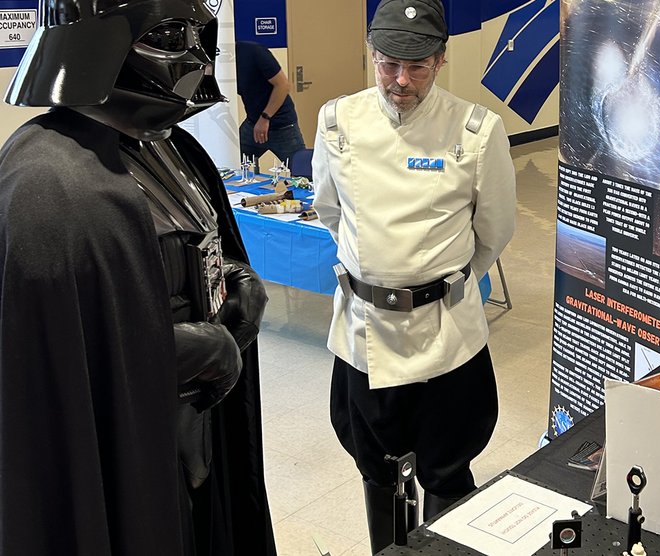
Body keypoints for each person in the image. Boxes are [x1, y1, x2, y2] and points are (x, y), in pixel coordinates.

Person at [0, 1, 276, 554]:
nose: (197, 58)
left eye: (200, 36)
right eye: (171, 36)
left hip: (195, 426)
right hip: (123, 450)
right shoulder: (45, 183)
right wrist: (165, 353)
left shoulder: (172, 147)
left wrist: (231, 277)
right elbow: (49, 365)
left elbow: (182, 248)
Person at [311, 0, 516, 551]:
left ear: (441, 59)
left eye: (418, 66)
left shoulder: (476, 130)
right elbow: (330, 212)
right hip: (365, 332)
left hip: (446, 335)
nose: (401, 80)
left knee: (447, 469)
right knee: (378, 470)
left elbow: (494, 230)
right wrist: (377, 275)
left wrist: (436, 287)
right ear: (371, 55)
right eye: (388, 64)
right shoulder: (337, 122)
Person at [236, 40, 306, 167]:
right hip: (253, 124)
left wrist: (265, 118)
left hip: (282, 126)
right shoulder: (221, 63)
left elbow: (283, 85)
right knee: (231, 161)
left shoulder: (253, 51)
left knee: (302, 171)